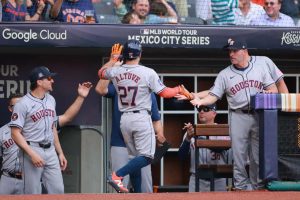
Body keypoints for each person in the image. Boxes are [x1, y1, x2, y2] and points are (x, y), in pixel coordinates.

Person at [98, 40, 187, 193]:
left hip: (124, 120)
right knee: (147, 157)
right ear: (140, 54)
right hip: (140, 118)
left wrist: (112, 61)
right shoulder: (147, 72)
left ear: (124, 55)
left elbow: (101, 73)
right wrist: (179, 89)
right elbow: (165, 93)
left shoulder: (116, 71)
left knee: (134, 159)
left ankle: (138, 193)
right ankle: (117, 176)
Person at [190, 38, 278, 190]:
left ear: (245, 51)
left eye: (235, 50)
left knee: (257, 156)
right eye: (229, 51)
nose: (231, 54)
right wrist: (202, 102)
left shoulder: (260, 68)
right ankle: (240, 188)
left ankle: (258, 188)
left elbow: (274, 90)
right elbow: (214, 95)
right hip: (238, 115)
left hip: (259, 115)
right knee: (239, 156)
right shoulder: (225, 74)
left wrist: (266, 93)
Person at [0, 82, 92, 195]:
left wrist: (81, 97)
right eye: (15, 106)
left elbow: (67, 117)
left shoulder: (43, 123)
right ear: (10, 108)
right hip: (8, 178)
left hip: (29, 176)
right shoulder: (2, 132)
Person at [95, 77, 165, 193]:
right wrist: (111, 64)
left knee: (145, 187)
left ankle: (117, 176)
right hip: (120, 142)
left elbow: (156, 118)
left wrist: (160, 133)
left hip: (141, 143)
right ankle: (117, 176)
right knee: (119, 188)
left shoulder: (148, 92)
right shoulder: (120, 87)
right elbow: (101, 89)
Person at [9, 66, 67, 194]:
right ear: (39, 82)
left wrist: (60, 152)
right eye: (49, 78)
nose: (52, 81)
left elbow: (52, 127)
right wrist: (32, 154)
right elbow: (15, 133)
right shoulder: (22, 104)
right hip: (32, 149)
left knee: (58, 191)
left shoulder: (51, 99)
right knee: (33, 193)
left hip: (50, 150)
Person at [178, 103, 230, 192]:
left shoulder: (222, 131)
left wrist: (202, 136)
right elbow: (181, 157)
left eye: (206, 109)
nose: (201, 112)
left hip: (218, 179)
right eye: (200, 109)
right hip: (196, 178)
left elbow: (221, 149)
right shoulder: (191, 132)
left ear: (214, 113)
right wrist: (188, 139)